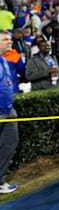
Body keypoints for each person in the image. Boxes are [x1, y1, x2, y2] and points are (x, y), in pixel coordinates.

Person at [0, 31, 19, 193]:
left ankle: (0, 180)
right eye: (5, 39)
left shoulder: (4, 60)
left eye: (10, 39)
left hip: (8, 111)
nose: (10, 42)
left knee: (9, 143)